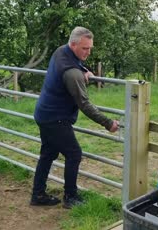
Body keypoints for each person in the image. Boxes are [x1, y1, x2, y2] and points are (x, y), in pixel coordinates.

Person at [30, 26, 119, 209]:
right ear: (73, 44)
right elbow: (84, 104)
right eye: (84, 48)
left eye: (90, 48)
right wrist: (108, 123)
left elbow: (74, 63)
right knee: (74, 154)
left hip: (44, 113)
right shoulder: (72, 74)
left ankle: (38, 194)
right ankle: (70, 197)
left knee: (48, 154)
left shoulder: (61, 51)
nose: (88, 52)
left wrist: (84, 70)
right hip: (56, 119)